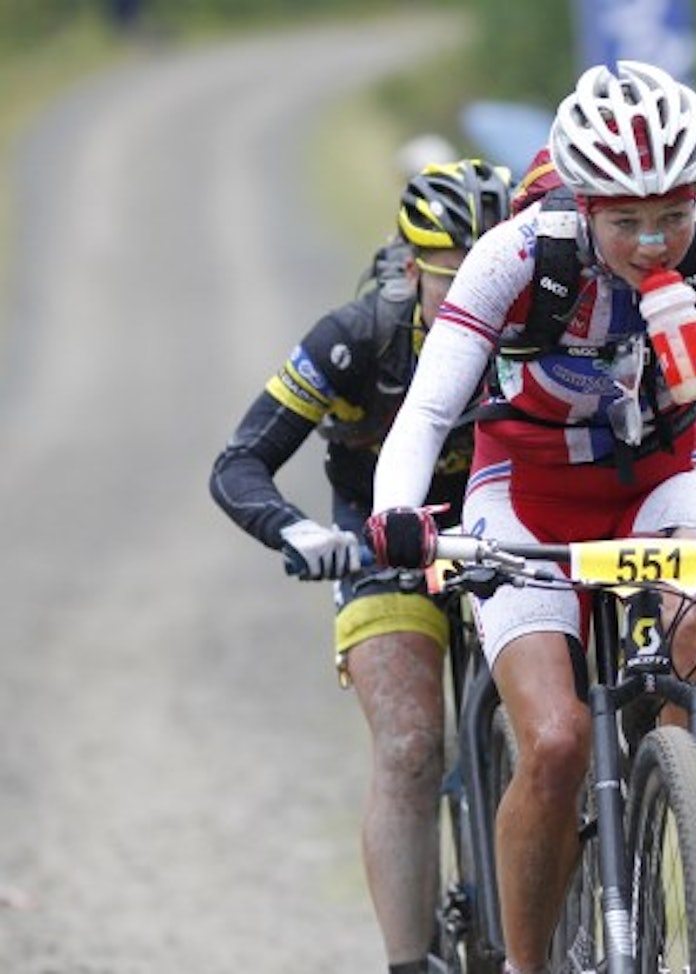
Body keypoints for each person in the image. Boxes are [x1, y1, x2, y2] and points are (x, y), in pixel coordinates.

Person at [365, 60, 696, 974]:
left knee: (686, 656)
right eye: (627, 221)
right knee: (557, 737)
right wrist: (397, 515)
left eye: (674, 214)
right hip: (525, 494)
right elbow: (424, 412)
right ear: (584, 206)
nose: (655, 241)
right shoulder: (518, 258)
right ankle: (527, 964)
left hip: (665, 479)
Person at [209, 159, 513, 974]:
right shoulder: (354, 340)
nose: (480, 304)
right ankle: (408, 962)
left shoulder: (539, 326)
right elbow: (239, 463)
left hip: (506, 532)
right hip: (378, 539)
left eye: (493, 278)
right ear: (411, 269)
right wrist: (296, 533)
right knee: (412, 744)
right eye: (454, 280)